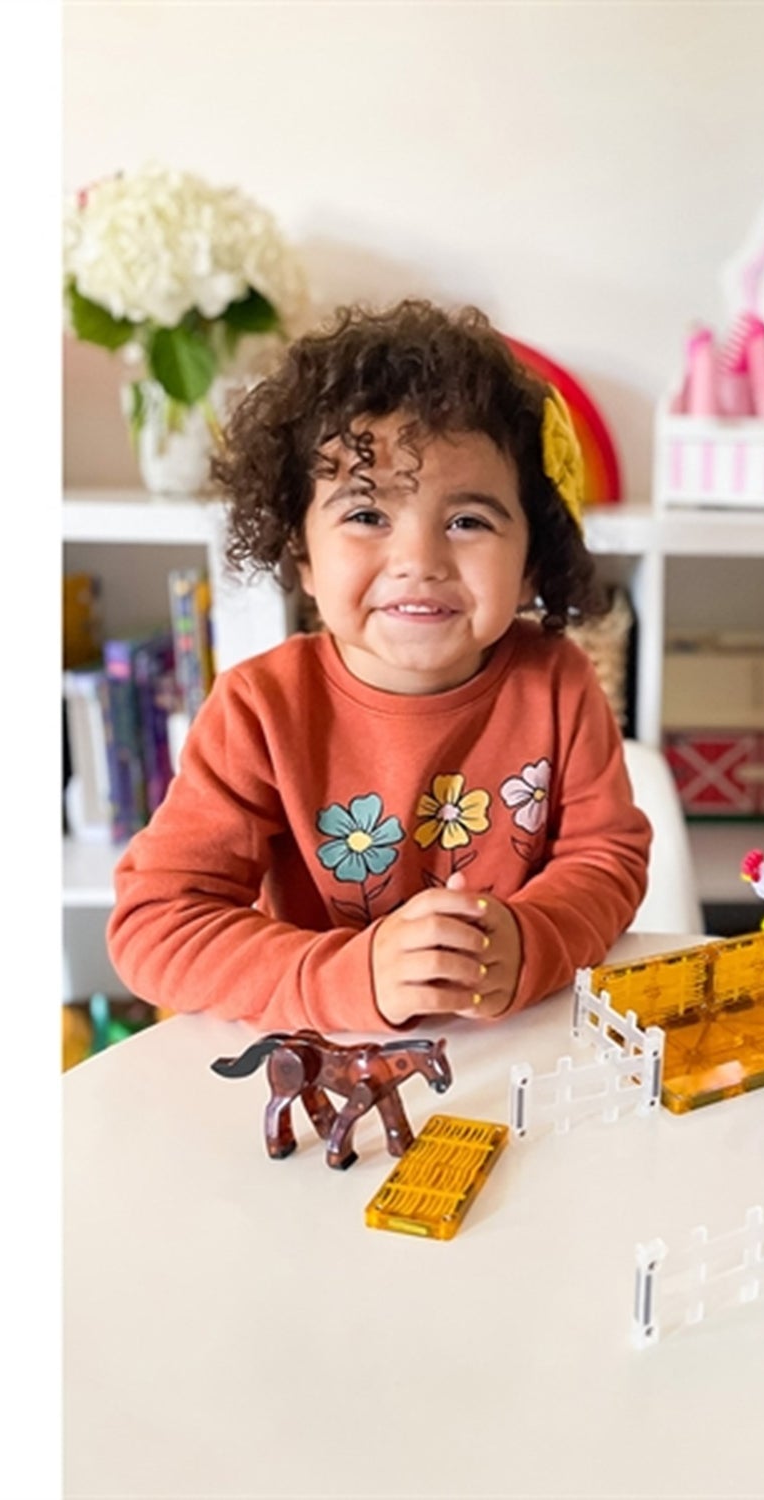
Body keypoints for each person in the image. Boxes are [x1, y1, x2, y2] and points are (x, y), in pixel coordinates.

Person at [108, 299, 651, 1033]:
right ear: (301, 553)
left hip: (519, 1050)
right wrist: (348, 975)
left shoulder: (560, 684)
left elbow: (607, 858)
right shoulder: (258, 709)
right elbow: (155, 925)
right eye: (367, 516)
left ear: (531, 562)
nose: (419, 561)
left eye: (467, 521)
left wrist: (535, 940)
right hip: (329, 1060)